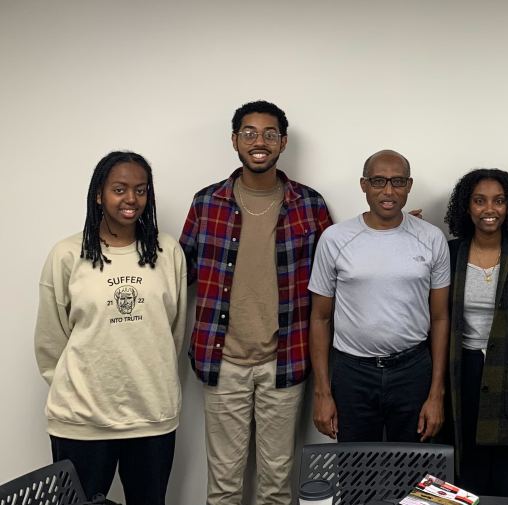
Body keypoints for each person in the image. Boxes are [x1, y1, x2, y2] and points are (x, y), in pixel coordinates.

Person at [180, 100, 332, 505]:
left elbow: (336, 276)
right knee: (224, 485)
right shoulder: (207, 203)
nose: (259, 142)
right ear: (235, 140)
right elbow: (179, 273)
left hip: (284, 360)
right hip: (222, 360)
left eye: (268, 134)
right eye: (249, 133)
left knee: (276, 485)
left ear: (282, 142)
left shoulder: (310, 205)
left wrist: (394, 235)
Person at [34, 151, 187, 505]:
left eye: (140, 189)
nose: (131, 199)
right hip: (81, 419)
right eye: (119, 189)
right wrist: (79, 388)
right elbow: (50, 338)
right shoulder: (68, 254)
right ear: (99, 194)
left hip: (152, 416)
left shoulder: (167, 251)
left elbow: (173, 330)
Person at [309, 149, 450, 443]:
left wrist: (436, 392)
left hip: (412, 370)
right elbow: (320, 318)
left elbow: (440, 318)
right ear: (363, 184)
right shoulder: (335, 239)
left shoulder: (431, 237)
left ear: (409, 186)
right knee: (356, 475)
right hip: (352, 373)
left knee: (416, 477)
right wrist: (322, 392)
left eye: (398, 182)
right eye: (378, 181)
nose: (388, 191)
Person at [442, 168, 508, 499]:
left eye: (499, 201)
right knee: (465, 469)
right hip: (464, 372)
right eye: (479, 201)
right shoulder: (450, 253)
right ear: (466, 207)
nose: (489, 209)